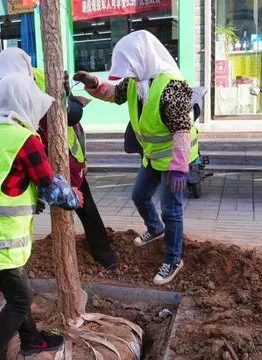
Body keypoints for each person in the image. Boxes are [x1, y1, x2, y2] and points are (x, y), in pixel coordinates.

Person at [0, 73, 83, 359]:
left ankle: (31, 340)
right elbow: (50, 188)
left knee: (17, 292)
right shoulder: (24, 139)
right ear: (26, 103)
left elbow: (6, 179)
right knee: (21, 300)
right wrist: (73, 197)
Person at [74, 30, 198, 285]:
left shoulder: (172, 86)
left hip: (175, 159)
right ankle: (155, 229)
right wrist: (93, 83)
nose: (127, 73)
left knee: (171, 210)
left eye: (130, 66)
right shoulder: (136, 82)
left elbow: (182, 130)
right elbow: (114, 94)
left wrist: (178, 168)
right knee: (139, 196)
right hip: (153, 156)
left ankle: (173, 258)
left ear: (142, 59)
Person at [0, 47, 117, 270]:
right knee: (13, 212)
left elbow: (74, 115)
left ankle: (103, 252)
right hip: (24, 157)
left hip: (62, 155)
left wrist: (65, 101)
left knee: (86, 206)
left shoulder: (45, 78)